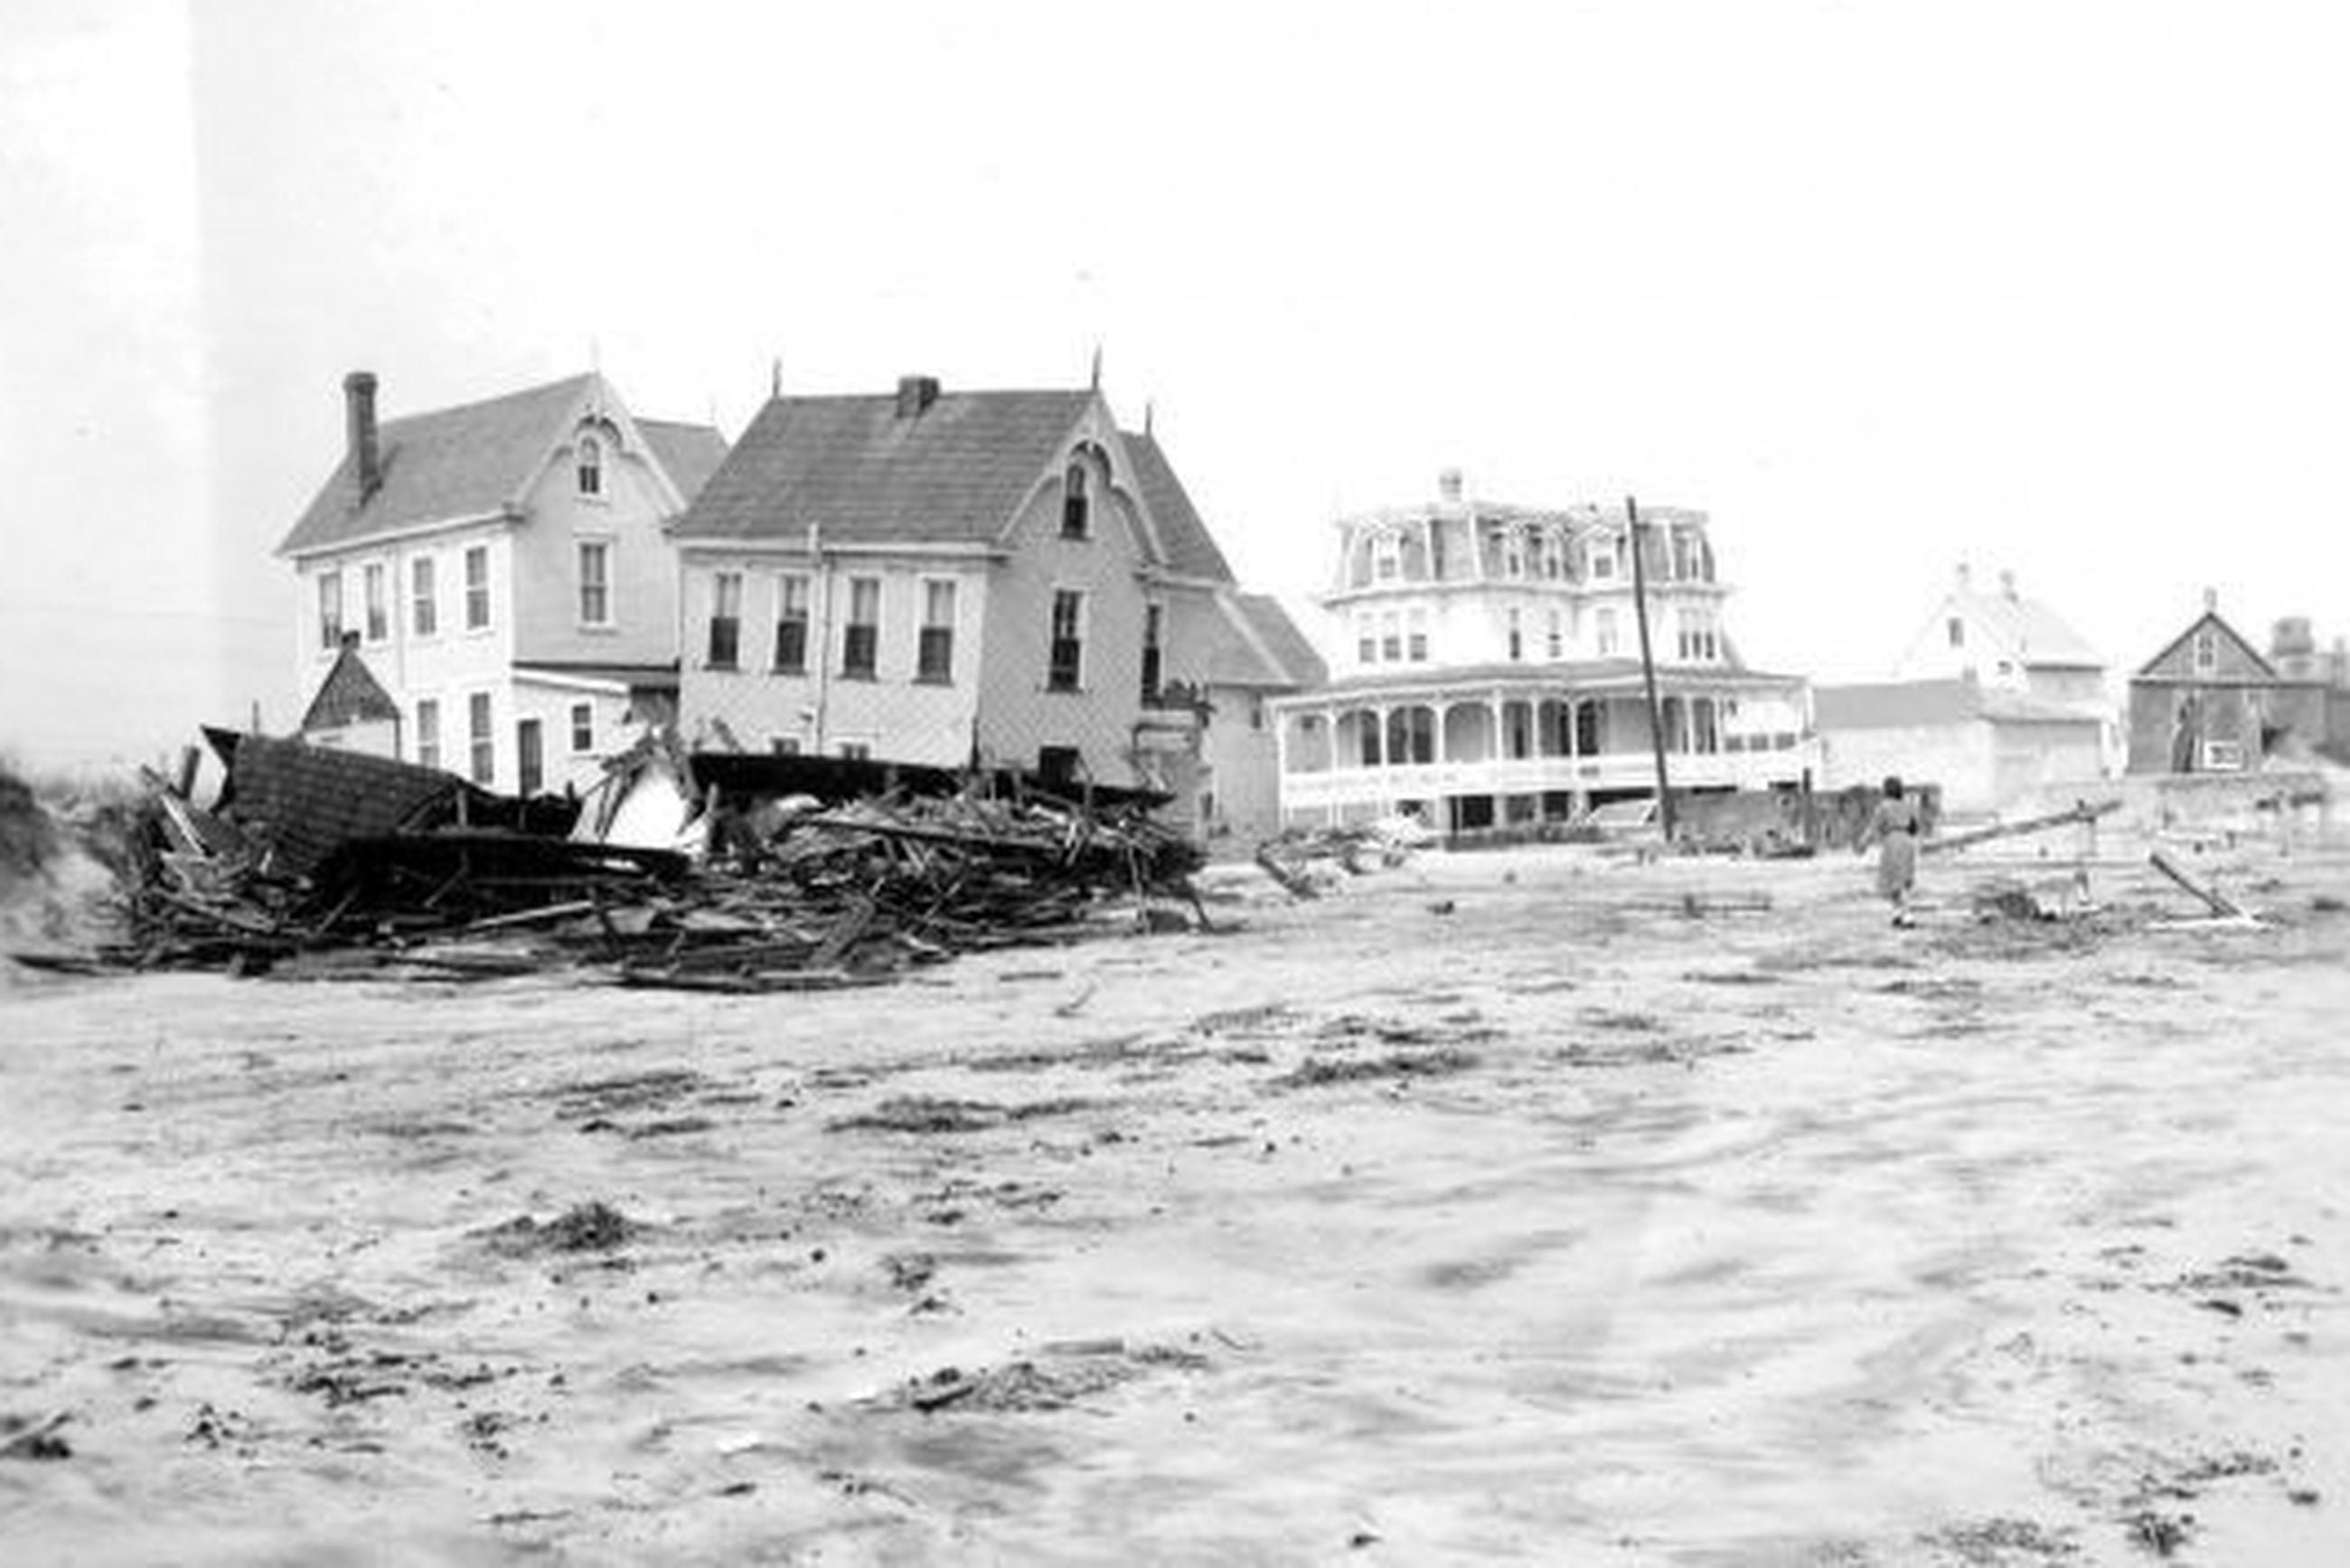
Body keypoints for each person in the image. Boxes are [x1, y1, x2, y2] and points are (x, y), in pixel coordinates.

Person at [1860, 775, 1922, 927]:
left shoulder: (1883, 806)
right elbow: (1915, 827)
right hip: (1908, 841)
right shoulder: (1908, 806)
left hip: (1892, 842)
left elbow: (1874, 826)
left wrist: (1863, 842)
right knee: (1903, 879)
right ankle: (1897, 913)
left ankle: (1907, 914)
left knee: (1895, 879)